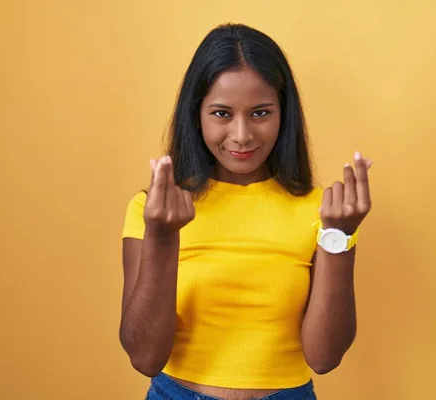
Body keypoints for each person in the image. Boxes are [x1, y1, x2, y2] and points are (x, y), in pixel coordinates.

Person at [120, 23, 373, 400]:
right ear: (197, 115)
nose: (242, 135)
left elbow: (324, 357)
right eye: (222, 113)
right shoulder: (156, 210)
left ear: (283, 114)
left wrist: (340, 237)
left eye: (259, 113)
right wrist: (161, 235)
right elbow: (144, 357)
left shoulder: (321, 211)